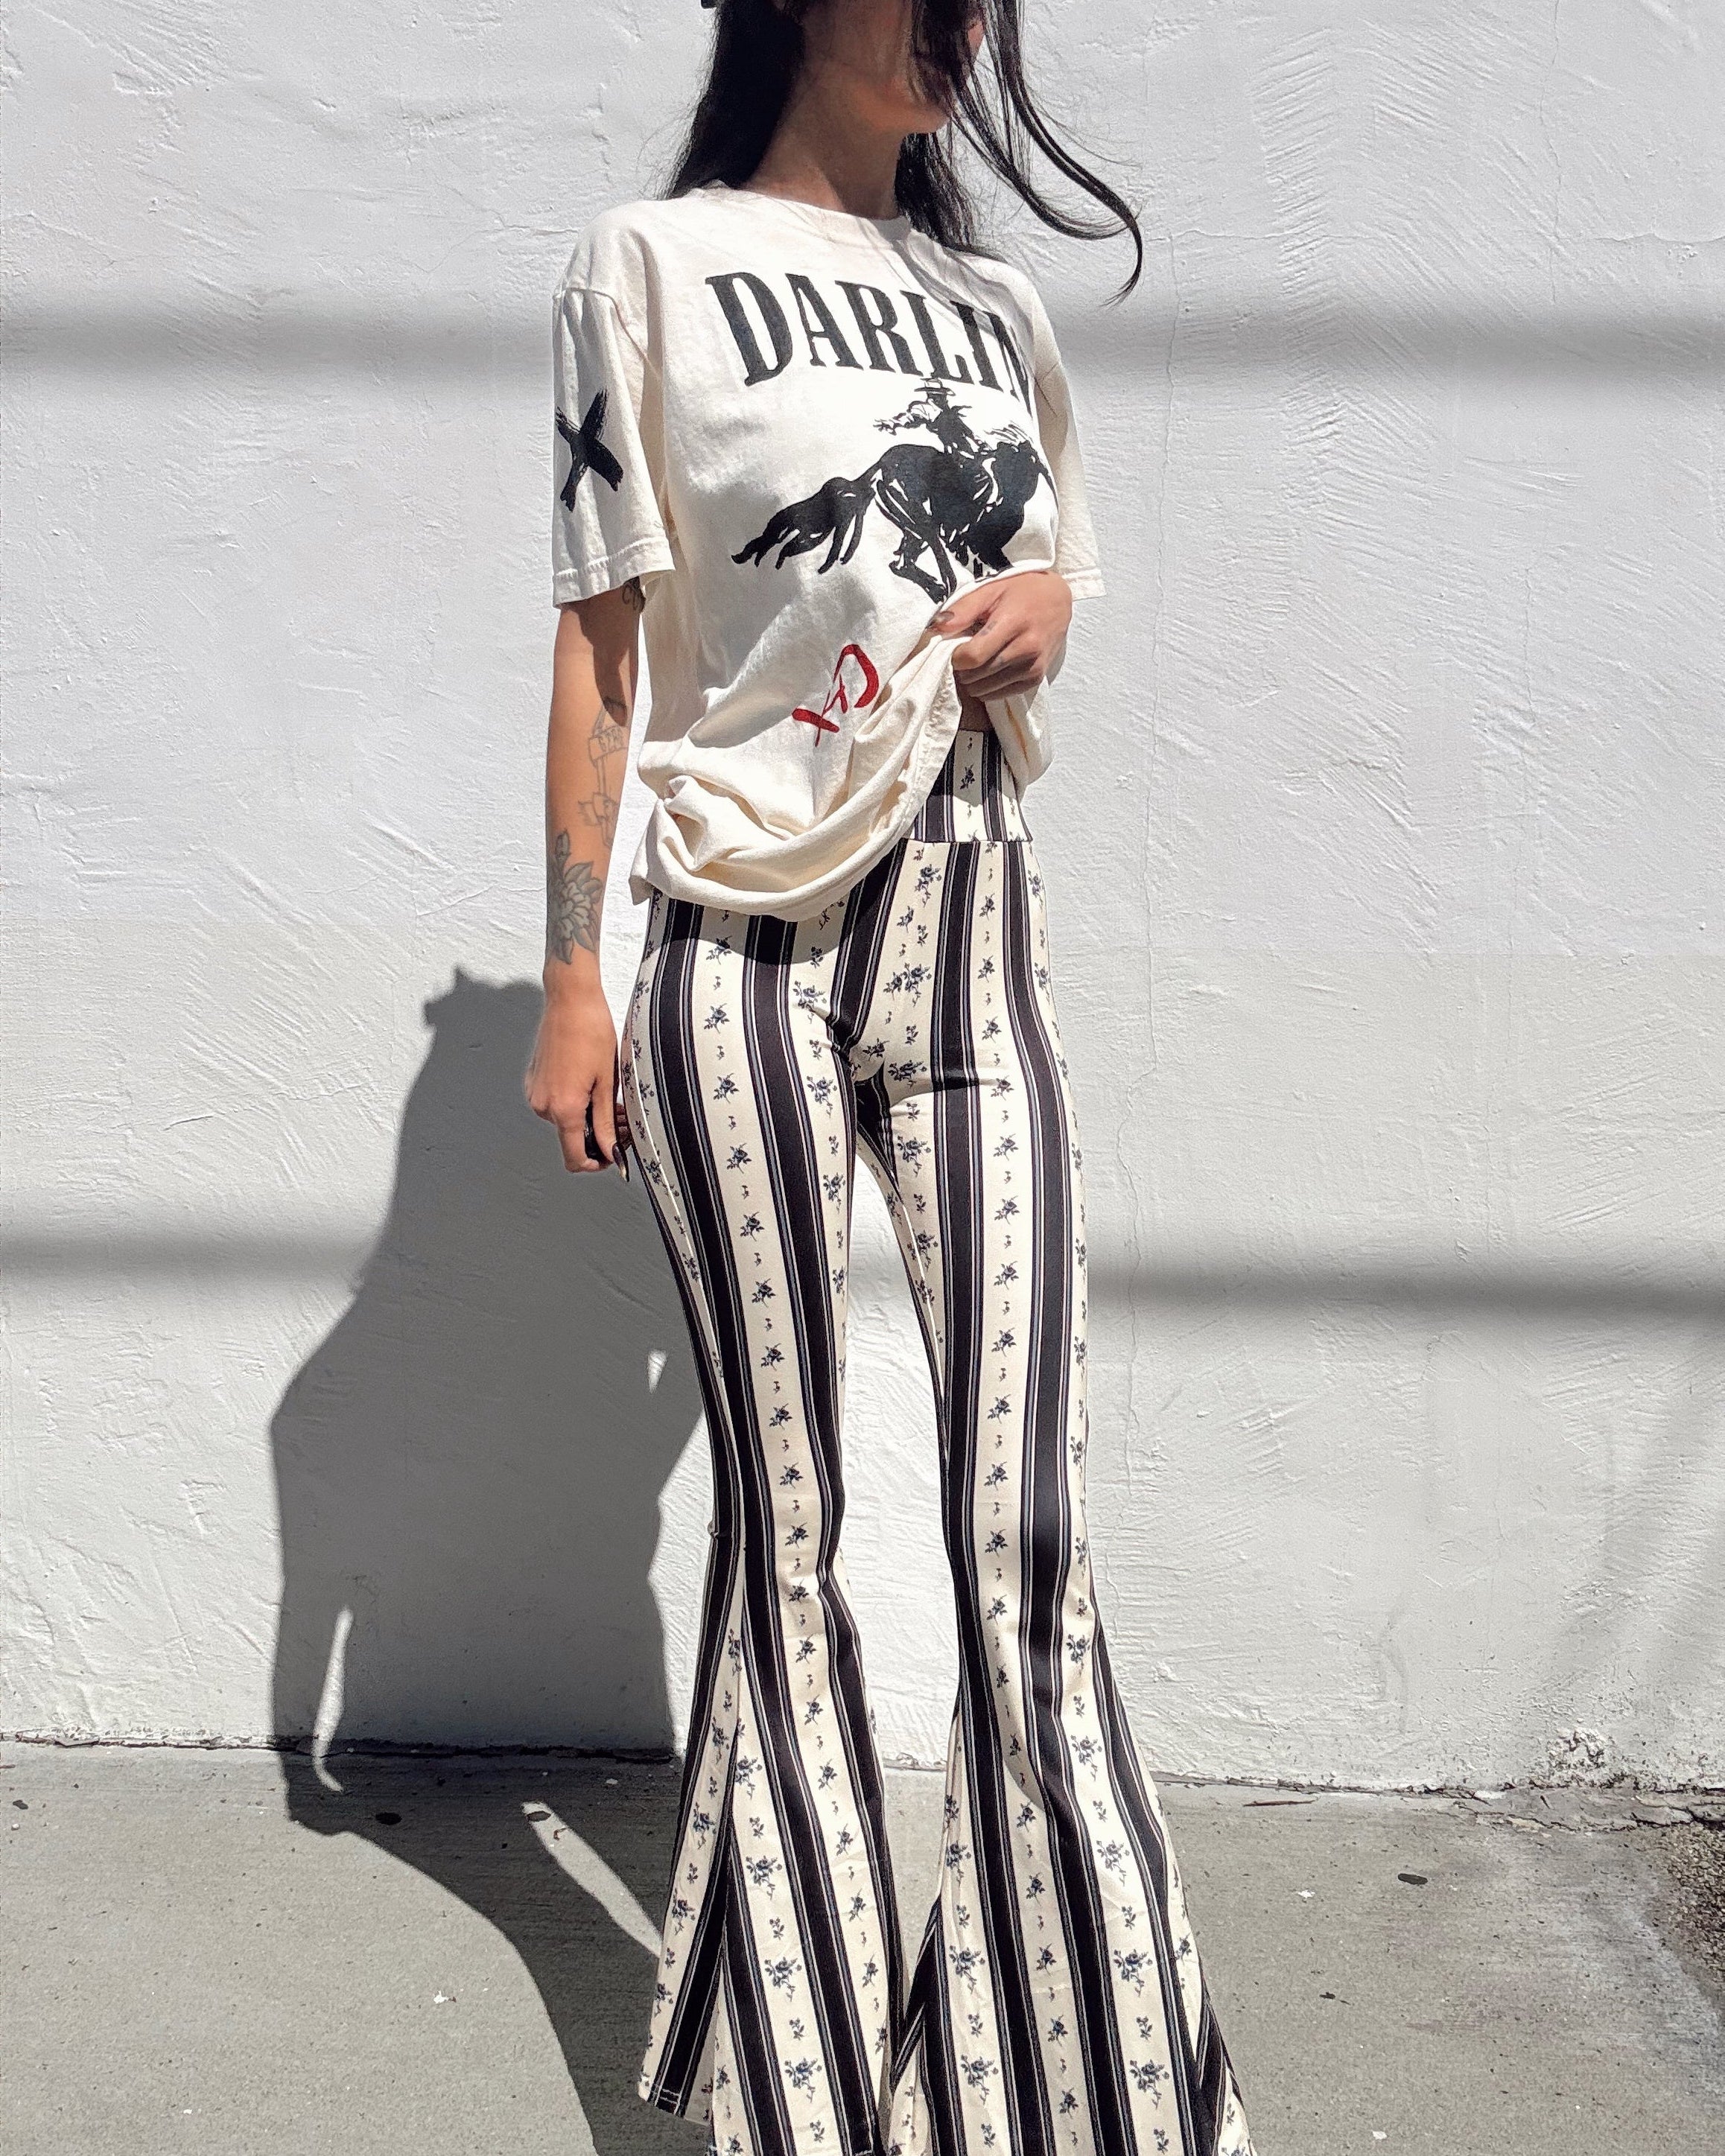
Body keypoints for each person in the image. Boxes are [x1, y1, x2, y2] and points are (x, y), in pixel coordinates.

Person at [524, 4, 1257, 2153]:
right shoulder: (646, 264)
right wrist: (573, 974)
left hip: (970, 941)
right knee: (795, 1534)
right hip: (736, 947)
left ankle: (1103, 2099)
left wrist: (1044, 616)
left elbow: (1042, 572)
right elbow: (597, 647)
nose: (953, 33)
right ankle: (812, 2095)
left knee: (1025, 1527)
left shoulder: (991, 307)